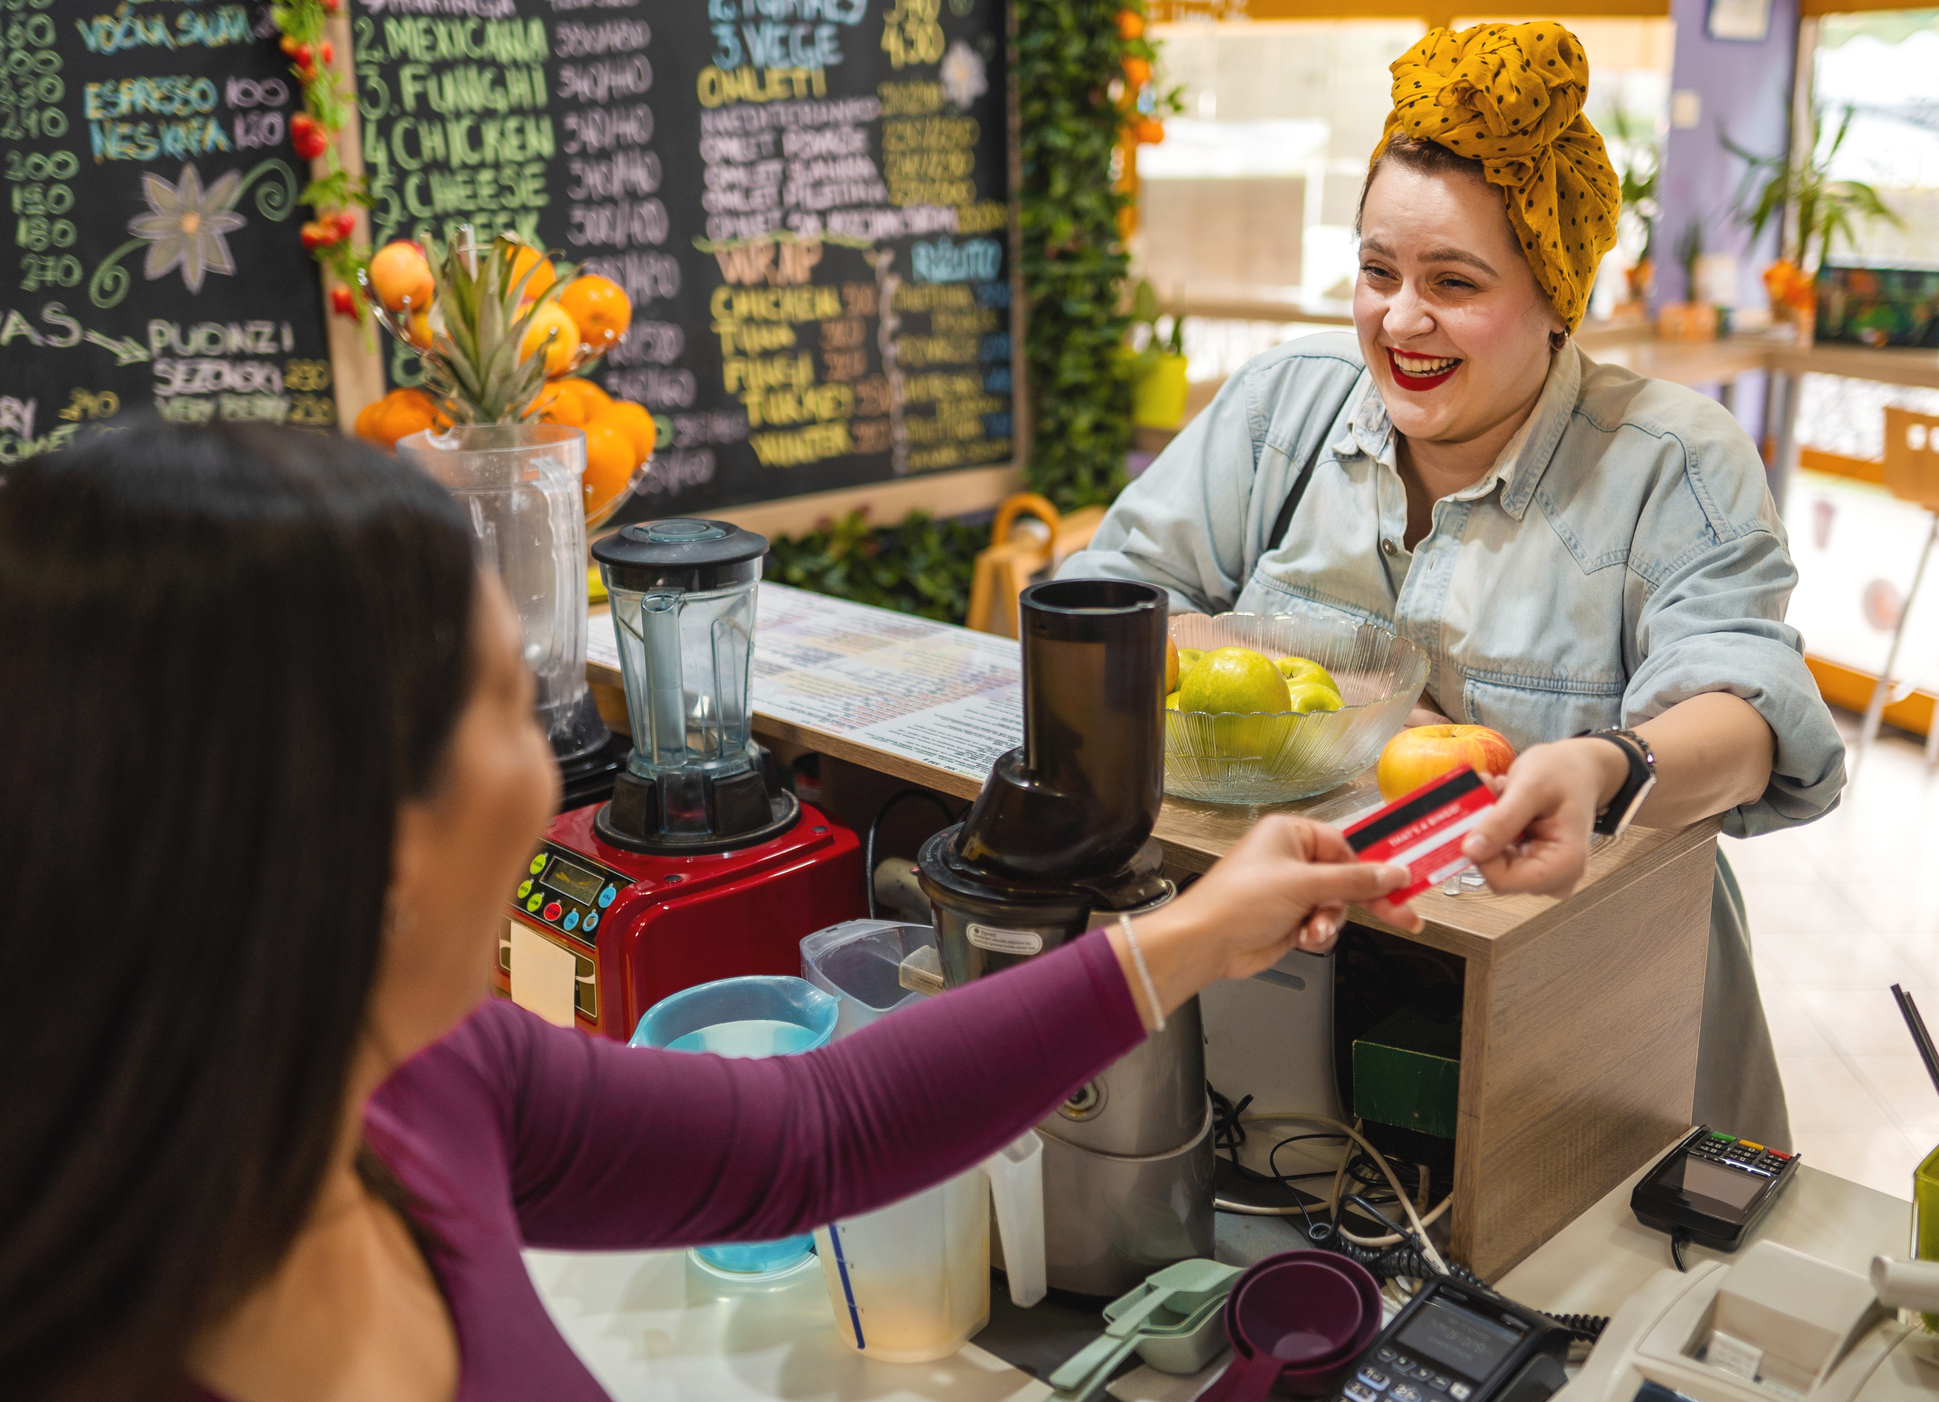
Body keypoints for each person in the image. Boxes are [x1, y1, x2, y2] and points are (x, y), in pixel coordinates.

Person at [0, 420, 1417, 1402]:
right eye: (517, 704)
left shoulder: (419, 1077)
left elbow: (814, 1133)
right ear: (358, 831)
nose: (567, 751)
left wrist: (1190, 934)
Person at [1064, 22, 1846, 1147]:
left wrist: (1603, 769)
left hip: (1587, 1015)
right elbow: (1110, 603)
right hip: (1291, 980)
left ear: (1557, 296)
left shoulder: (1669, 459)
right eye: (1377, 272)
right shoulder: (1288, 404)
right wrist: (1333, 693)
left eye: (1455, 282)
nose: (1401, 319)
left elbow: (1750, 710)